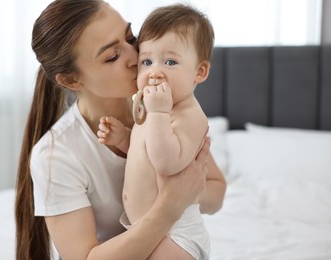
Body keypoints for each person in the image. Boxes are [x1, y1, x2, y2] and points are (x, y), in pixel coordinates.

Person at [14, 0, 226, 259]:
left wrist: (186, 193)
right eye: (112, 56)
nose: (134, 58)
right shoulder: (56, 154)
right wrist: (170, 204)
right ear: (72, 80)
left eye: (130, 38)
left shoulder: (161, 104)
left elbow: (216, 189)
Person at [97, 3, 215, 259]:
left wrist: (159, 113)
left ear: (200, 71)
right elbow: (147, 151)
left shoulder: (190, 116)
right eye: (147, 61)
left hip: (176, 233)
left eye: (170, 61)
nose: (155, 72)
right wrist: (124, 138)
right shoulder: (153, 110)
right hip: (147, 227)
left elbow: (165, 163)